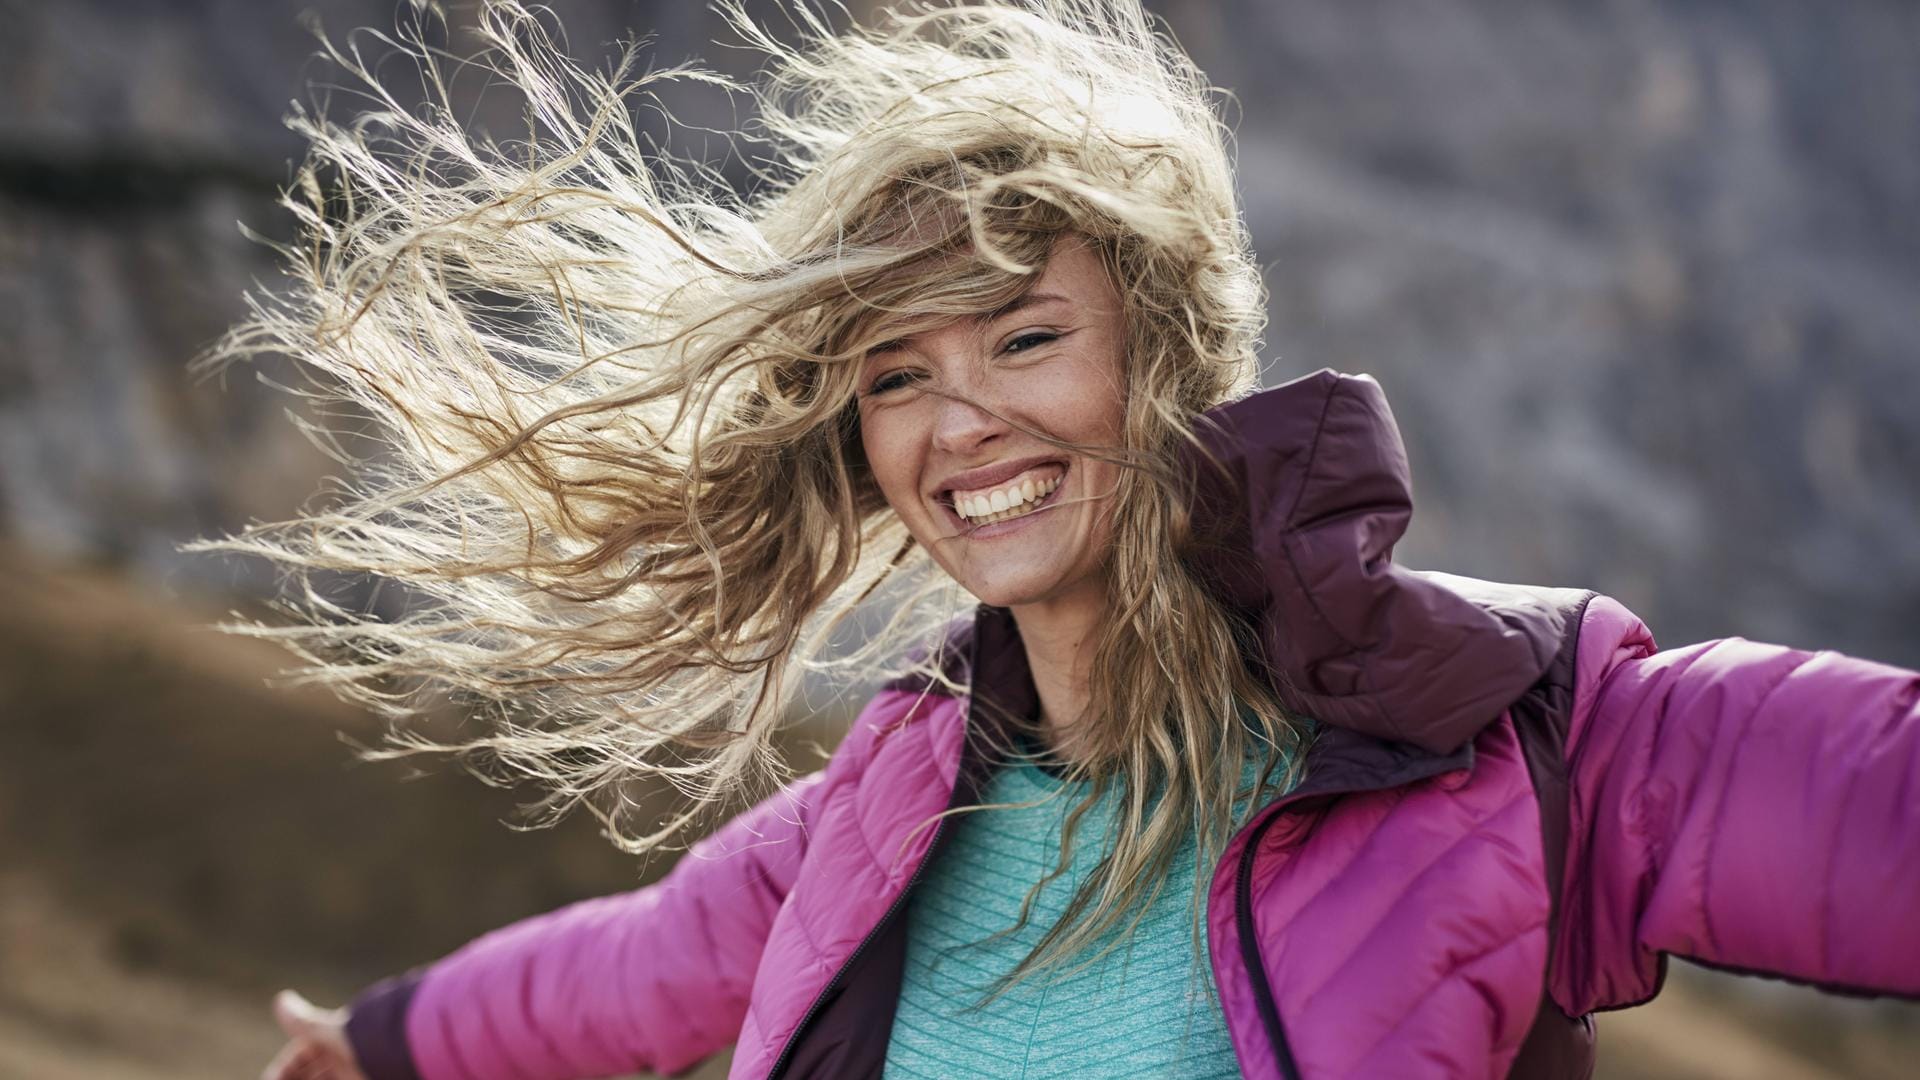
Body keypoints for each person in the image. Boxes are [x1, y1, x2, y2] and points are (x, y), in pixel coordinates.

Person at [213, 2, 1920, 1078]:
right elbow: (641, 972)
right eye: (898, 375)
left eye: (1025, 340)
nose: (961, 426)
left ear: (1168, 361)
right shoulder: (887, 809)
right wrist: (377, 1044)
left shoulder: (1522, 734)